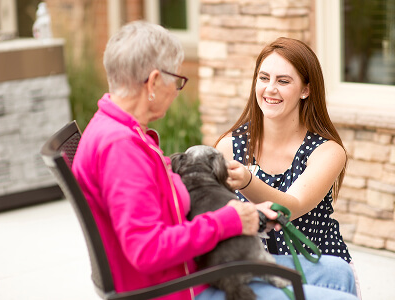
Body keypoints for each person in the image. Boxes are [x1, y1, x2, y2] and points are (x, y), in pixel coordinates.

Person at [72, 21, 358, 300]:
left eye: (283, 80)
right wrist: (228, 220)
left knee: (339, 273)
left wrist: (242, 214)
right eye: (177, 80)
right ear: (155, 82)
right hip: (183, 284)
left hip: (194, 267)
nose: (176, 90)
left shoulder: (121, 132)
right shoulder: (122, 147)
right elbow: (147, 250)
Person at [215, 37, 361, 298]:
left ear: (306, 90)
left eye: (283, 81)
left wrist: (248, 181)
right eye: (263, 78)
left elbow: (289, 207)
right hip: (254, 271)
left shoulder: (327, 152)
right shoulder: (229, 147)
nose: (270, 89)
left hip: (318, 272)